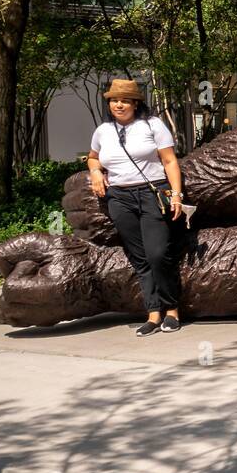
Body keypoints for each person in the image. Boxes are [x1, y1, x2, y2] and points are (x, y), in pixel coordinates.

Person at [87, 79, 186, 335]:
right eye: (113, 100)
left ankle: (172, 309)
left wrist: (176, 195)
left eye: (124, 100)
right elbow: (92, 157)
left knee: (157, 253)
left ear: (135, 103)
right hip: (119, 198)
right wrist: (96, 172)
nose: (118, 105)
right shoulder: (103, 131)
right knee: (140, 258)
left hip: (151, 193)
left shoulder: (152, 125)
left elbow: (170, 161)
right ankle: (153, 313)